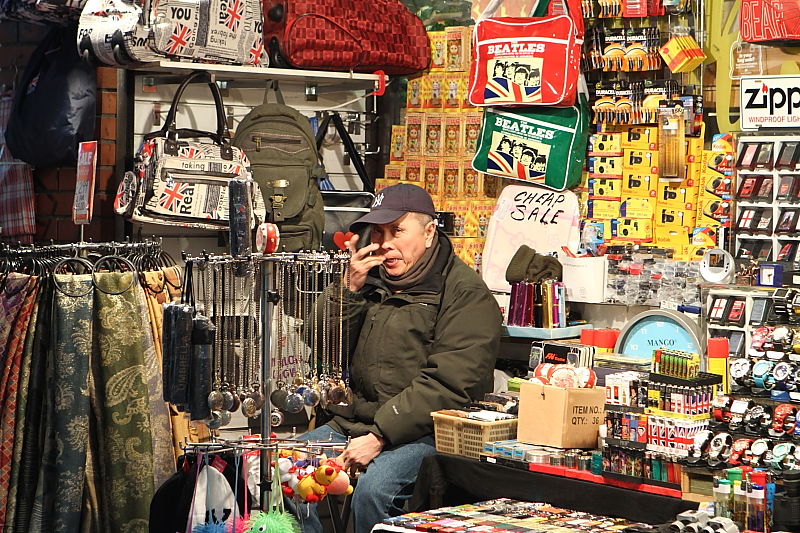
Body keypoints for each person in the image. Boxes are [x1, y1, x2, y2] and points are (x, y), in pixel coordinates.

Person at [295, 183, 502, 533]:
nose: (385, 242)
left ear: (429, 231)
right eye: (378, 232)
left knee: (373, 492)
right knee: (284, 469)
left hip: (426, 432)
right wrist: (347, 290)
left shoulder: (465, 294)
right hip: (355, 422)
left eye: (397, 231)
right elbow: (321, 344)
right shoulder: (372, 279)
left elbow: (449, 383)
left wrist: (380, 436)